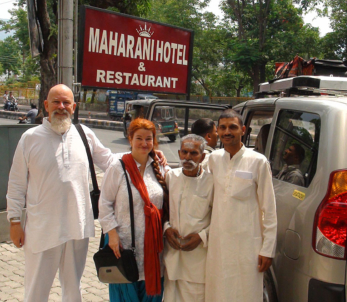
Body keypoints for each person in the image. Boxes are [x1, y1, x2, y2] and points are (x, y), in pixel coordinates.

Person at [6, 84, 116, 302]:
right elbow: (17, 183)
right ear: (46, 105)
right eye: (56, 102)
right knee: (36, 289)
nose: (61, 107)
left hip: (77, 226)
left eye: (66, 102)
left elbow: (111, 162)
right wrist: (14, 221)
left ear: (74, 107)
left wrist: (148, 157)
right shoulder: (30, 138)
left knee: (73, 289)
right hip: (42, 228)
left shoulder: (85, 135)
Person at [205, 109, 277, 302]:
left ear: (243, 130)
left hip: (248, 246)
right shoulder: (213, 159)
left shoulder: (258, 161)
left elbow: (269, 209)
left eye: (233, 127)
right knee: (217, 291)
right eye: (223, 127)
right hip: (218, 243)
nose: (227, 131)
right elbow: (193, 179)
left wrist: (267, 249)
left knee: (245, 292)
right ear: (217, 131)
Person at [99, 118, 169, 301]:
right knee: (125, 294)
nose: (144, 143)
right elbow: (104, 203)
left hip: (153, 249)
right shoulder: (118, 167)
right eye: (139, 138)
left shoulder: (160, 167)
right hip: (123, 245)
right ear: (130, 139)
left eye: (149, 139)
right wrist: (112, 235)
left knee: (151, 293)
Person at [163, 134, 214, 302]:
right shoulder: (171, 177)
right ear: (178, 153)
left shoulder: (212, 183)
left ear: (203, 156)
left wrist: (201, 237)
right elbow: (162, 210)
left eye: (193, 153)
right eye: (184, 152)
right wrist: (166, 229)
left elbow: (219, 219)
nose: (187, 157)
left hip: (197, 262)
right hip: (172, 259)